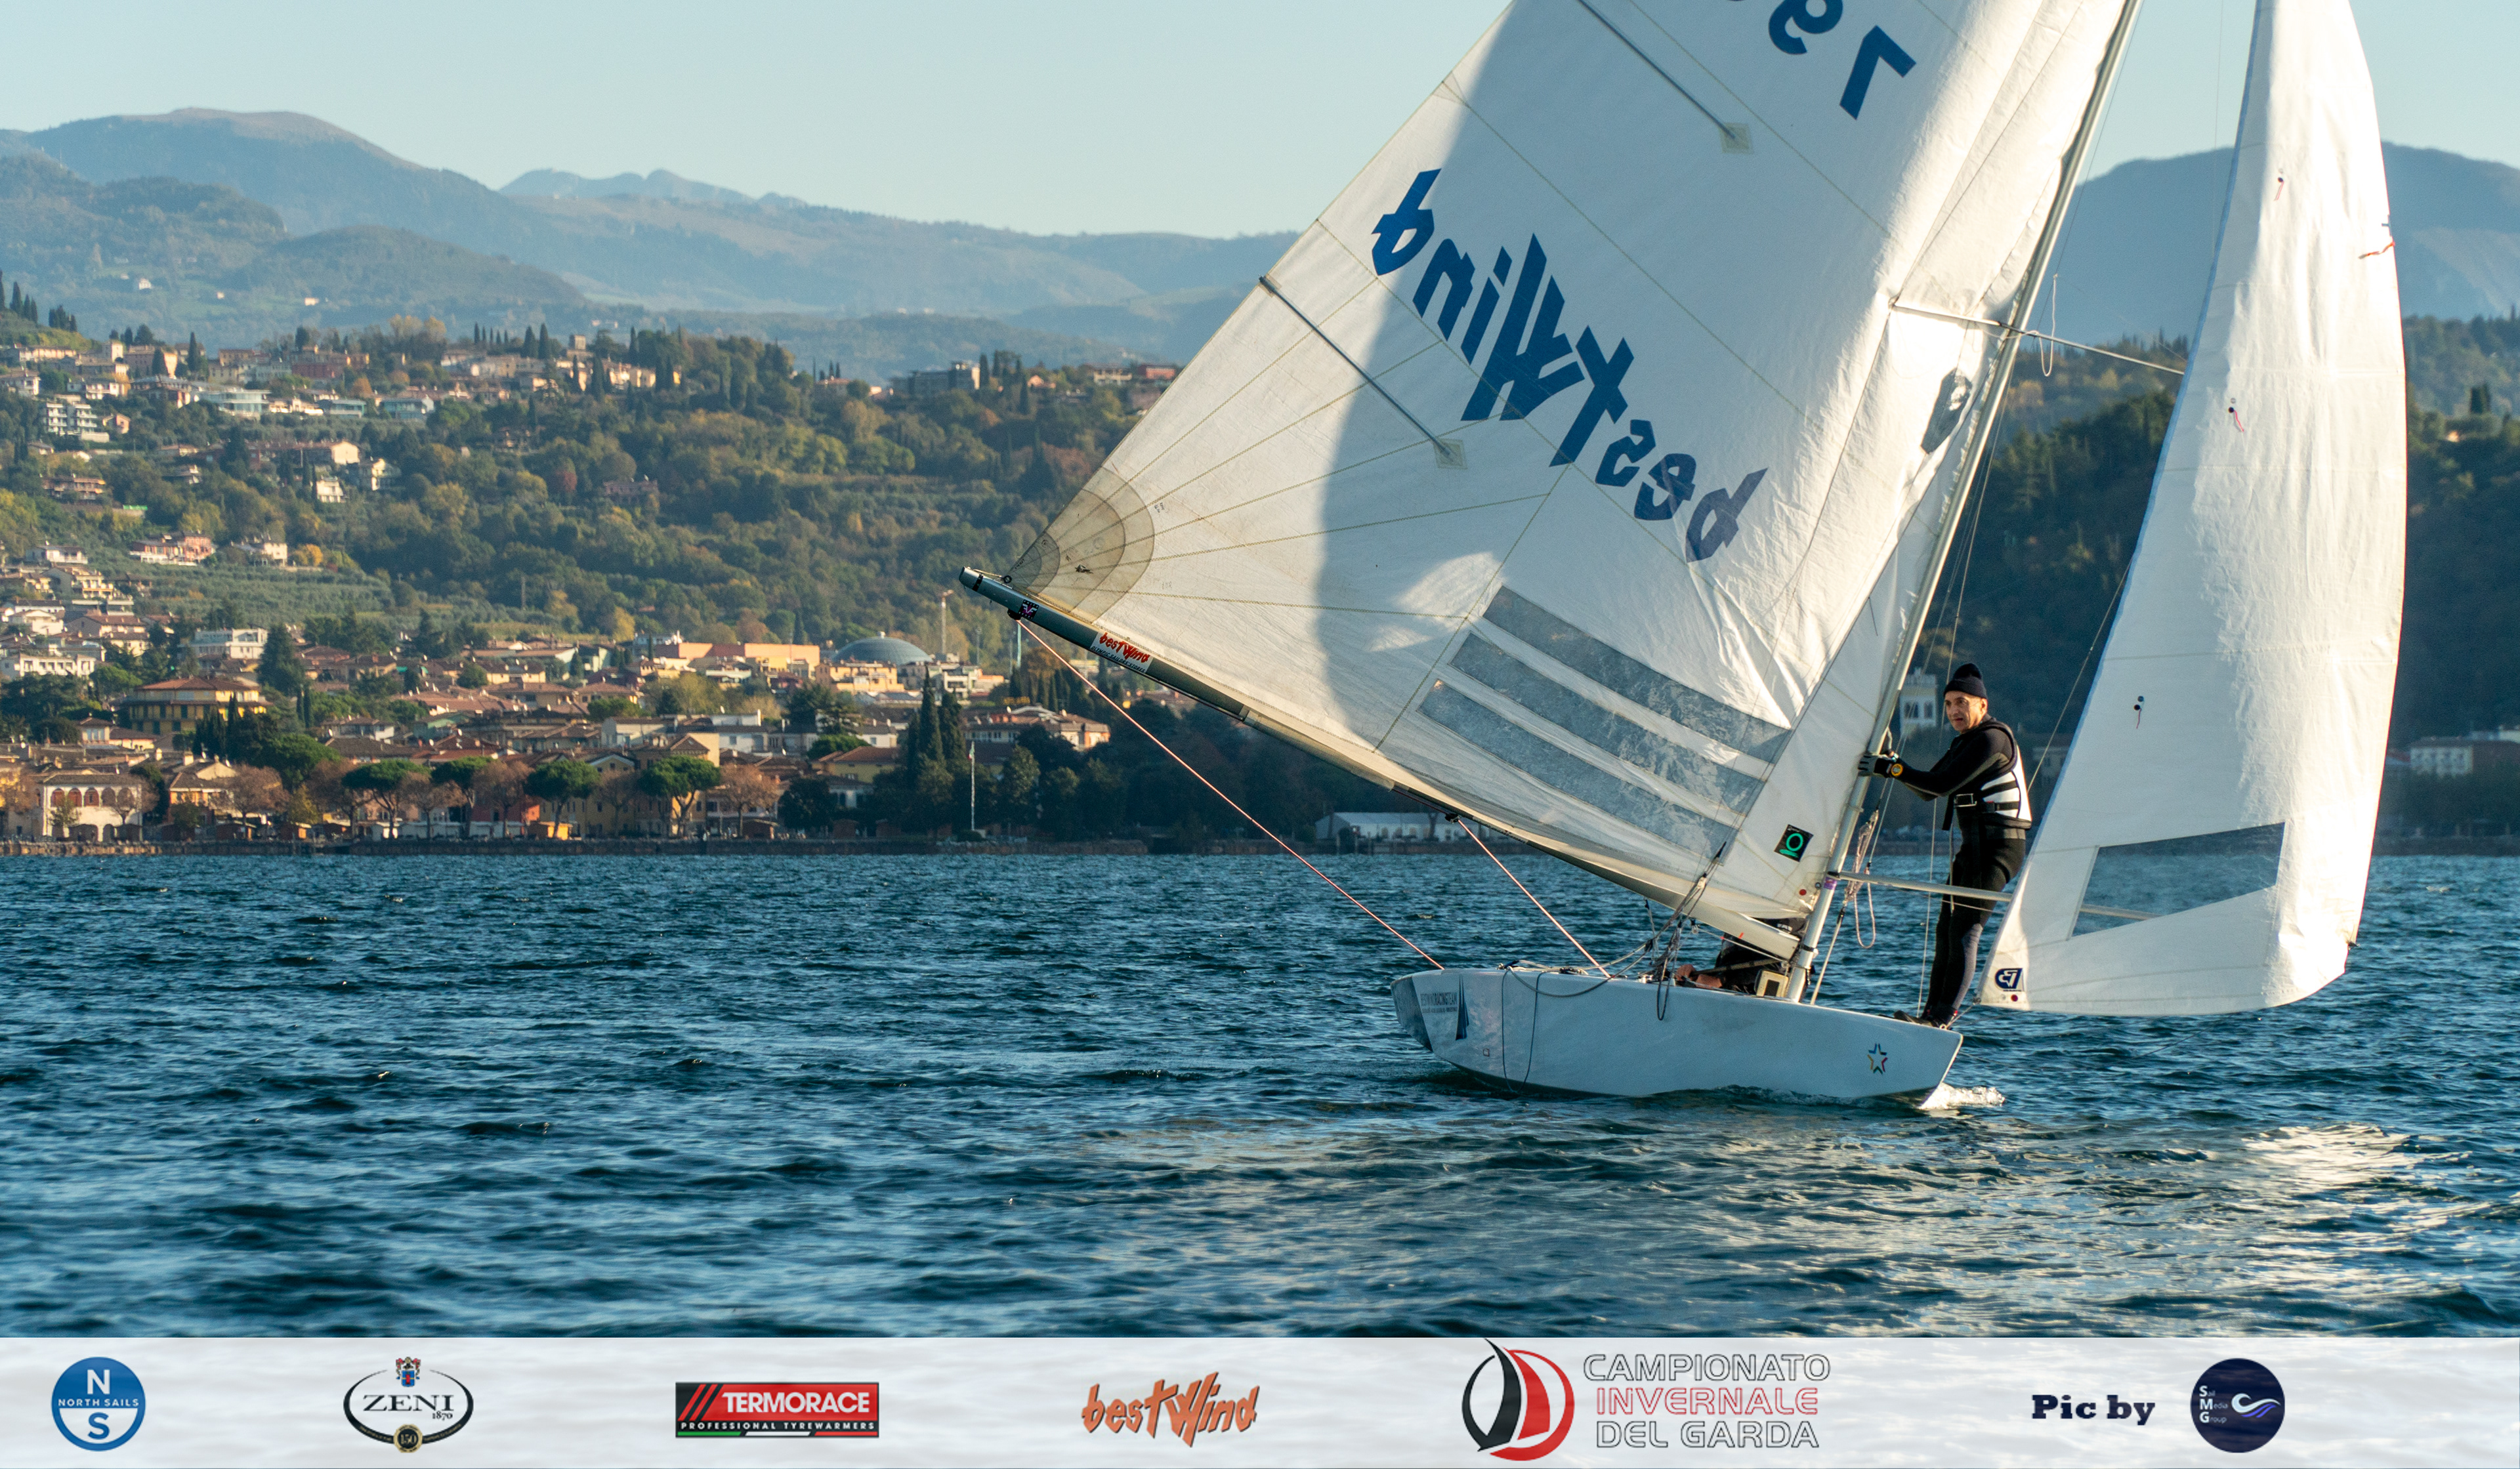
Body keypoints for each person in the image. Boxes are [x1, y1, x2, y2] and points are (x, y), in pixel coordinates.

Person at [1858, 663, 2032, 1027]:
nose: (1954, 710)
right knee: (1945, 930)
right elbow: (1926, 789)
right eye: (1949, 703)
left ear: (1982, 706)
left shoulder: (1992, 739)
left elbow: (1940, 786)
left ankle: (1941, 1019)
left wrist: (1892, 770)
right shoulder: (1964, 742)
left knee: (1965, 930)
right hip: (1974, 848)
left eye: (1962, 702)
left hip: (2000, 849)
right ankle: (1929, 1015)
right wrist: (1892, 765)